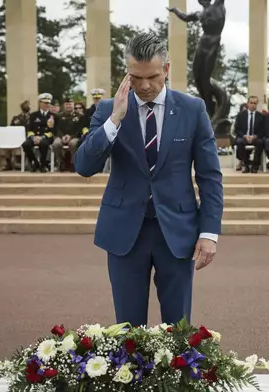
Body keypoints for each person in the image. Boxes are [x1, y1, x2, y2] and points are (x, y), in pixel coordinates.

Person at [75, 33, 223, 326]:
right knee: (127, 327)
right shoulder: (107, 109)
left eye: (153, 77)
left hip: (177, 232)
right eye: (135, 77)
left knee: (178, 326)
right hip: (123, 232)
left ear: (167, 69)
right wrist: (115, 120)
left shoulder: (193, 109)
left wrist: (209, 233)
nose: (144, 86)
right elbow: (84, 166)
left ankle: (178, 374)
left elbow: (209, 176)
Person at [23, 93, 58, 172]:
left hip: (46, 137)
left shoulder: (53, 116)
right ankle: (35, 162)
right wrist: (33, 137)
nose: (47, 105)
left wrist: (42, 137)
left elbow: (53, 131)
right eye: (45, 103)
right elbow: (29, 129)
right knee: (25, 145)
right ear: (40, 103)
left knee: (44, 144)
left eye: (48, 103)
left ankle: (43, 164)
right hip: (34, 137)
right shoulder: (33, 115)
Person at [233, 96, 265, 173]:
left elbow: (263, 130)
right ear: (248, 103)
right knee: (239, 142)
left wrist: (255, 136)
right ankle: (246, 164)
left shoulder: (261, 116)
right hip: (243, 136)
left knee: (260, 142)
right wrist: (244, 136)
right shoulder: (241, 115)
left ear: (257, 104)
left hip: (255, 137)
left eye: (255, 103)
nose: (253, 105)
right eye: (251, 103)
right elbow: (237, 129)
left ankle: (255, 165)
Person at [52, 98, 84, 172]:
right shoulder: (58, 116)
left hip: (75, 136)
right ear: (64, 105)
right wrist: (62, 136)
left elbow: (80, 129)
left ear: (73, 105)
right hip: (61, 136)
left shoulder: (80, 116)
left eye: (70, 104)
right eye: (67, 104)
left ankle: (73, 163)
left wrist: (71, 136)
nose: (68, 106)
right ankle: (61, 162)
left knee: (73, 144)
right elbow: (57, 128)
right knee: (56, 144)